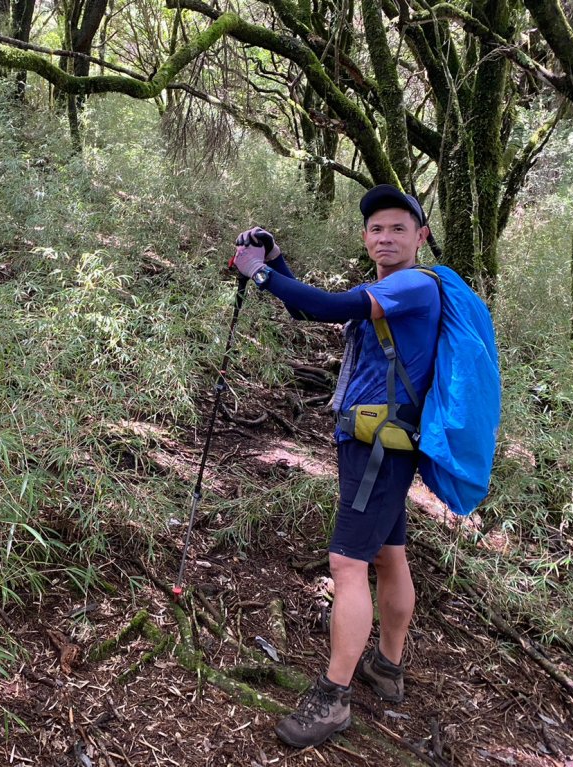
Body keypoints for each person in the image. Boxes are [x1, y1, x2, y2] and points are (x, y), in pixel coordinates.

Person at [230, 185, 441, 749]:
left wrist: (259, 274)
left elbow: (329, 305)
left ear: (421, 237)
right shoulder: (389, 290)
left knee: (347, 566)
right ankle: (387, 669)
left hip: (379, 450)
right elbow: (311, 307)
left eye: (399, 228)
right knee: (388, 553)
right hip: (383, 443)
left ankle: (333, 698)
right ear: (366, 237)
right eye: (376, 229)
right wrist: (276, 263)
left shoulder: (413, 285)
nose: (385, 237)